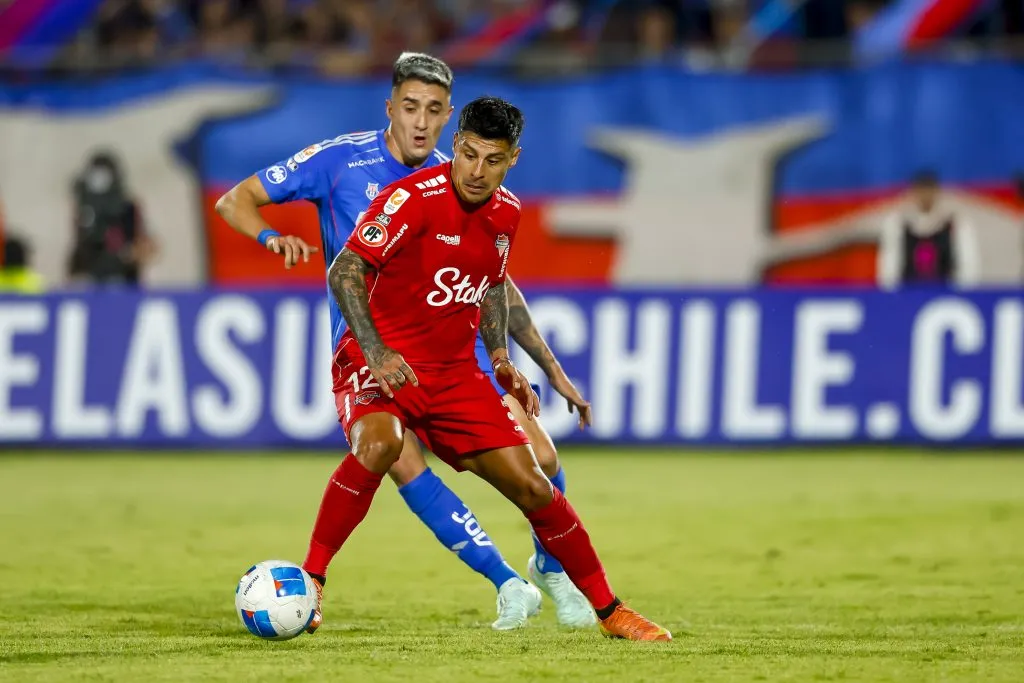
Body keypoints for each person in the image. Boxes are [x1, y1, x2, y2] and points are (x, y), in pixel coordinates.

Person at [215, 52, 596, 630]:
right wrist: (272, 237)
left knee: (542, 460)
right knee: (394, 453)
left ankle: (551, 569)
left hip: (454, 347)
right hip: (376, 350)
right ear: (389, 107)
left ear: (449, 119)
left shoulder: (463, 176)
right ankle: (507, 583)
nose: (421, 122)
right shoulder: (340, 160)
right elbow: (233, 199)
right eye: (411, 107)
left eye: (435, 111)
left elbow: (496, 283)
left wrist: (546, 364)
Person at [314, 95, 670, 641]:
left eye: (493, 159)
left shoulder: (507, 212)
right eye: (470, 154)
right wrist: (378, 351)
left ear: (513, 159)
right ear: (455, 145)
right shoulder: (408, 199)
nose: (478, 171)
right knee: (381, 443)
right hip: (378, 361)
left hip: (455, 375)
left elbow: (491, 287)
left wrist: (502, 358)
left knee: (535, 485)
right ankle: (313, 579)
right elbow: (345, 271)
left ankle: (610, 612)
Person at [877, 170, 980, 290]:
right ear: (913, 192)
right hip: (908, 293)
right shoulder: (898, 223)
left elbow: (968, 263)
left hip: (945, 292)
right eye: (921, 191)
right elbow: (890, 264)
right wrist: (890, 293)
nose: (925, 196)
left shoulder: (954, 223)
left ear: (937, 192)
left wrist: (965, 291)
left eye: (929, 190)